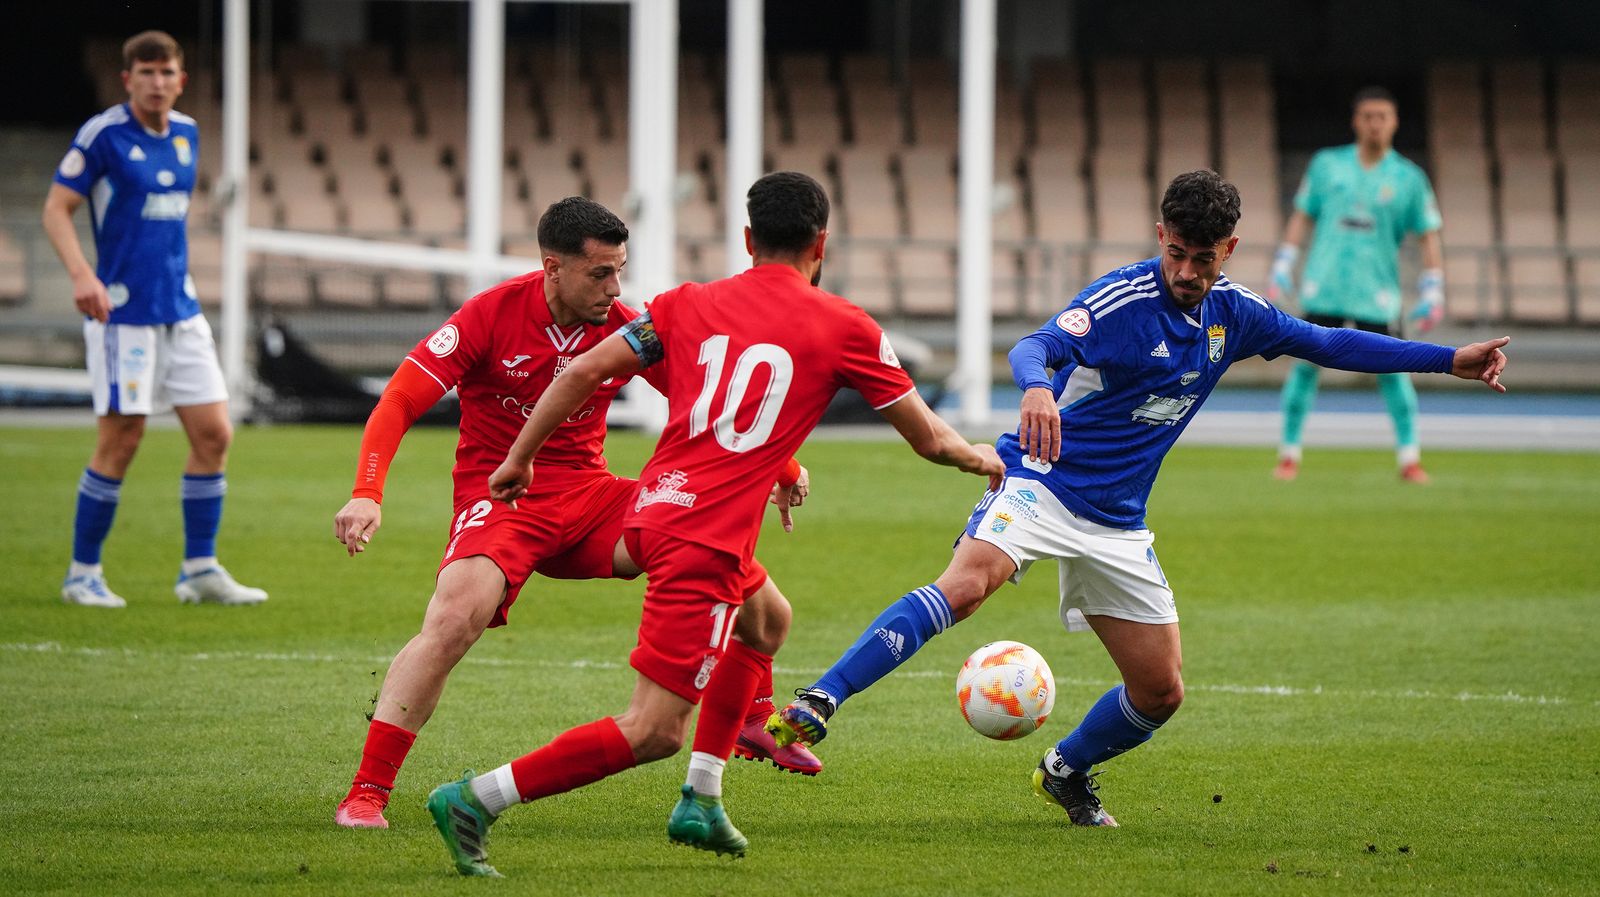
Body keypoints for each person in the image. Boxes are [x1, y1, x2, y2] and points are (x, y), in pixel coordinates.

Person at [767, 170, 1509, 828]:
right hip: (1041, 480)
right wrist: (1033, 386)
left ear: (1231, 249)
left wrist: (1449, 360)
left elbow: (1331, 343)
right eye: (1176, 251)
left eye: (1203, 257)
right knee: (964, 587)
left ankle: (1065, 770)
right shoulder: (1122, 298)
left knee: (1160, 691)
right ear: (1161, 234)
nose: (1186, 270)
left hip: (1117, 518)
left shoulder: (1238, 315)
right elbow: (1037, 346)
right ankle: (819, 700)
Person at [424, 171, 1004, 877]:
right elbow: (931, 441)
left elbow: (577, 373)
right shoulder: (846, 326)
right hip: (705, 541)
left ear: (748, 239)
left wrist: (518, 459)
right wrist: (983, 461)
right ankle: (477, 797)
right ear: (822, 243)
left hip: (650, 510)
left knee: (767, 622)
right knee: (653, 729)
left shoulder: (683, 304)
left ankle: (703, 794)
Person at [330, 196, 821, 831]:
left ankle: (753, 717)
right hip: (501, 500)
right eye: (600, 273)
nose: (615, 288)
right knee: (454, 619)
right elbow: (399, 398)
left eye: (620, 271)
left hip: (590, 501)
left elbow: (703, 397)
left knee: (747, 589)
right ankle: (368, 791)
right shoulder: (490, 314)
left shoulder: (622, 322)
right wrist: (367, 490)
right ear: (551, 267)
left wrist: (783, 467)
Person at [42, 30, 265, 608]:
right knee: (123, 438)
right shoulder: (103, 136)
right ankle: (81, 573)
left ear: (181, 80)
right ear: (128, 79)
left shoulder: (187, 133)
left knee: (215, 434)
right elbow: (56, 208)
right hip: (123, 313)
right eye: (147, 73)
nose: (158, 83)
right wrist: (81, 274)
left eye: (167, 73)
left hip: (179, 307)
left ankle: (199, 569)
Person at [1266, 86, 1446, 483]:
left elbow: (1428, 233)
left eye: (1383, 116)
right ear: (1356, 121)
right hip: (1326, 284)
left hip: (1375, 292)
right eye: (1368, 116)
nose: (1375, 124)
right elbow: (1302, 214)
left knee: (1395, 370)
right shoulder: (1327, 165)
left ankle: (1409, 458)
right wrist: (1284, 261)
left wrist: (1434, 287)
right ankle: (1289, 454)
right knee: (1305, 367)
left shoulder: (1409, 178)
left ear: (1394, 122)